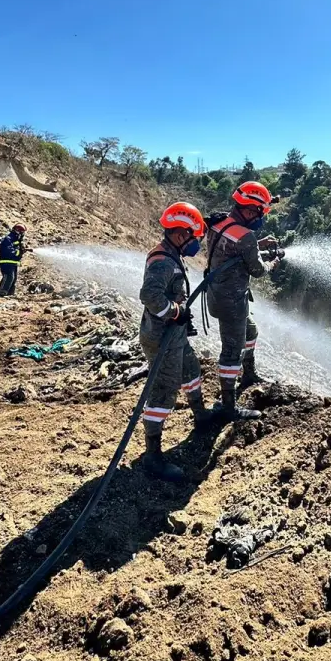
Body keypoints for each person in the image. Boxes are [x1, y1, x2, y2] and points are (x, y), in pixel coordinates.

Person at [137, 202, 210, 481]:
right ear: (180, 234)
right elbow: (150, 296)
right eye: (194, 237)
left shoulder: (171, 254)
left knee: (191, 371)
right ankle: (153, 456)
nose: (196, 244)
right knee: (164, 393)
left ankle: (201, 415)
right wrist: (176, 311)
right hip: (162, 337)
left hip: (174, 334)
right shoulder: (164, 261)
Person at [204, 181, 281, 421]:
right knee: (231, 352)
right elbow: (257, 270)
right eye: (259, 212)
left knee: (251, 332)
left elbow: (229, 249)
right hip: (232, 302)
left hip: (218, 294)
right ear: (248, 210)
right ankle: (229, 408)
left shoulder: (219, 223)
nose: (259, 218)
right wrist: (273, 262)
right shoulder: (245, 236)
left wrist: (258, 244)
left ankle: (249, 374)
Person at [0, 223, 27, 297]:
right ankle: (0, 293)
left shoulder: (15, 239)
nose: (23, 235)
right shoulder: (8, 239)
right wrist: (20, 251)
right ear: (17, 231)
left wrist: (21, 249)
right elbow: (9, 251)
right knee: (9, 277)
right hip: (6, 262)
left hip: (13, 263)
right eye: (22, 233)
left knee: (13, 278)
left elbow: (16, 251)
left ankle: (9, 293)